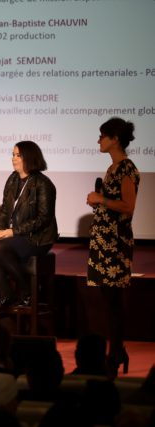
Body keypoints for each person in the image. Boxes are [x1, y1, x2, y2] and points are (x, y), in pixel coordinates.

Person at [86, 117, 140, 376]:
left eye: (102, 135)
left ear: (115, 139)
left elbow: (128, 206)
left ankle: (115, 353)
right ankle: (117, 351)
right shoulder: (113, 168)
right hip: (104, 242)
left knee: (114, 303)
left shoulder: (126, 168)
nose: (98, 140)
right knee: (109, 303)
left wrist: (101, 199)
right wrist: (99, 201)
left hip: (115, 244)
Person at [0, 140, 58, 312]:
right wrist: (0, 229)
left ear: (29, 157)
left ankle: (27, 292)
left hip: (38, 238)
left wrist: (14, 231)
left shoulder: (43, 183)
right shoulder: (13, 179)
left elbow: (44, 218)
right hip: (16, 235)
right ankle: (8, 295)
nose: (13, 158)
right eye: (13, 155)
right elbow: (4, 210)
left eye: (18, 155)